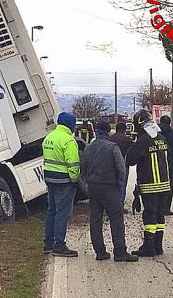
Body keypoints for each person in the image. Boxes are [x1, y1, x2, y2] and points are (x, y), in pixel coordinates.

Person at [81, 121, 138, 262]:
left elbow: (83, 167)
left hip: (93, 187)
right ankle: (120, 252)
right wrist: (120, 185)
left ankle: (100, 251)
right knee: (116, 218)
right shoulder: (112, 147)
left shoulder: (88, 148)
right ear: (107, 132)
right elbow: (121, 168)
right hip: (109, 186)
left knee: (95, 219)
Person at [126, 109, 171, 257]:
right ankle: (158, 246)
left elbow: (131, 160)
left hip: (150, 185)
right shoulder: (162, 138)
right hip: (164, 184)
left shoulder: (143, 141)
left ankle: (148, 246)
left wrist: (133, 144)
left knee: (149, 216)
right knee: (159, 215)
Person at [43, 112, 80, 257]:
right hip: (63, 181)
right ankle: (59, 245)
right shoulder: (68, 140)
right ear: (70, 124)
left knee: (51, 211)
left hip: (50, 179)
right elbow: (73, 164)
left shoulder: (49, 137)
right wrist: (75, 180)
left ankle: (48, 243)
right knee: (62, 214)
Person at [158, 115, 173, 215]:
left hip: (157, 161)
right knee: (169, 186)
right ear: (169, 122)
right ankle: (166, 208)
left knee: (157, 185)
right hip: (171, 162)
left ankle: (157, 206)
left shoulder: (155, 132)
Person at [110, 122, 133, 208]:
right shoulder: (128, 139)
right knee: (122, 185)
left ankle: (112, 204)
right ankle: (120, 205)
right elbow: (133, 151)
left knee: (113, 185)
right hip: (124, 164)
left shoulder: (110, 138)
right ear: (124, 130)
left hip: (112, 165)